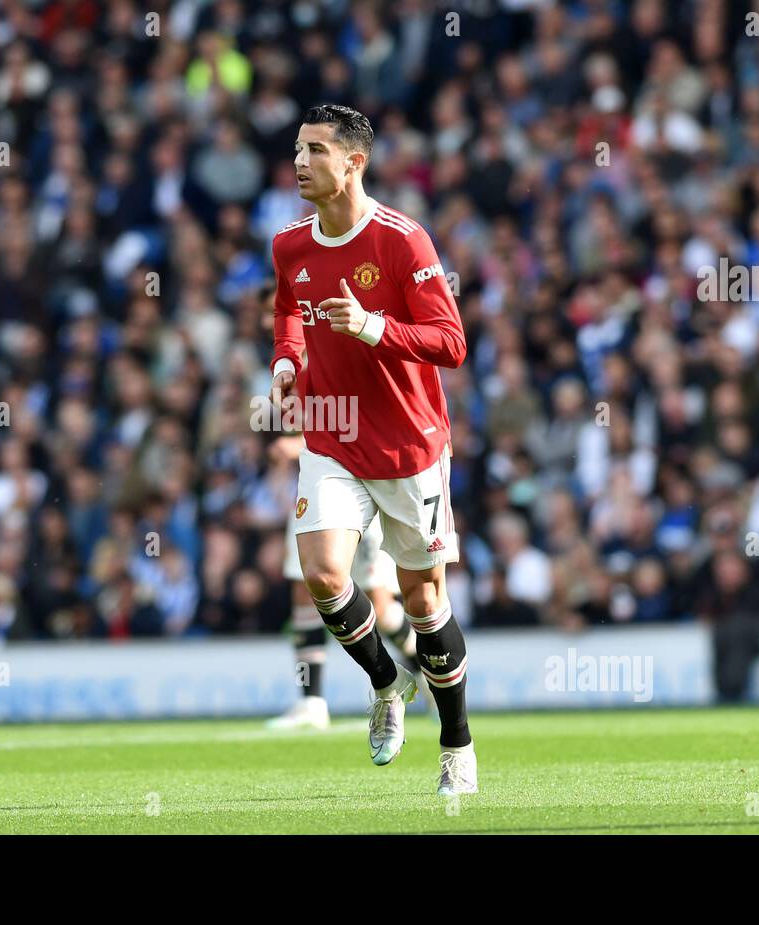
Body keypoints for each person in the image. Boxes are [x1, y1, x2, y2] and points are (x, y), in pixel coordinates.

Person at [268, 104, 474, 795]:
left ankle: (456, 744)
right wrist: (289, 360)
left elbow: (452, 344)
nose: (300, 162)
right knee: (323, 574)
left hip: (411, 445)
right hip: (332, 435)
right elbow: (288, 312)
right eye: (298, 149)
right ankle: (386, 683)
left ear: (354, 163)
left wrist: (374, 326)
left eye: (316, 151)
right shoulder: (290, 245)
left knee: (423, 600)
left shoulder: (403, 241)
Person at [265, 433, 421, 731]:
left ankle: (421, 674)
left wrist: (299, 444)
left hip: (362, 485)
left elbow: (361, 421)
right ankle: (312, 701)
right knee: (304, 589)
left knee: (379, 602)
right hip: (314, 486)